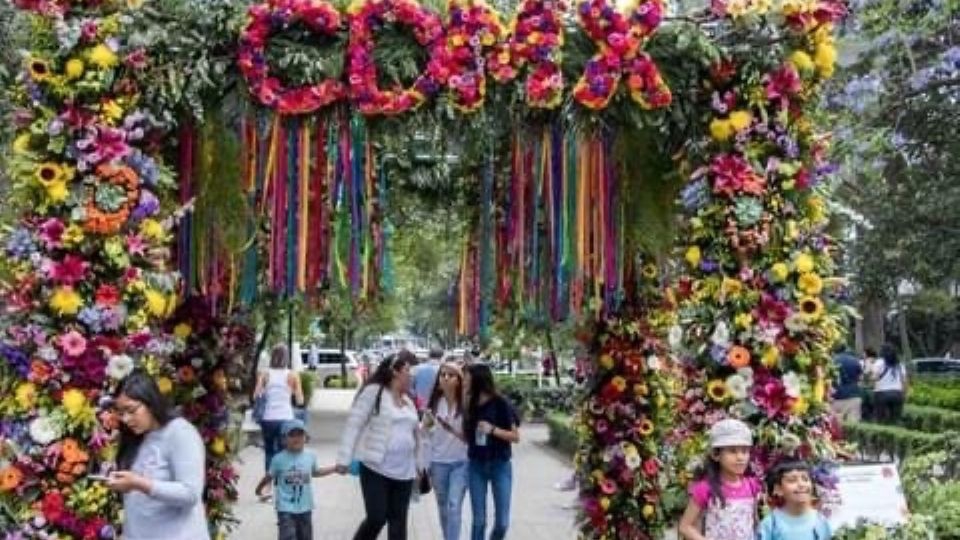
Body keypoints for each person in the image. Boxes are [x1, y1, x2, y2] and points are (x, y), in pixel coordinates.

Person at [106, 370, 209, 540]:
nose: (126, 419)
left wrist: (139, 483)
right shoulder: (136, 438)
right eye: (121, 412)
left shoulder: (179, 432)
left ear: (150, 402)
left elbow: (190, 494)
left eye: (131, 410)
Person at [335, 350, 423, 540]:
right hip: (376, 467)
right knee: (377, 517)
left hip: (404, 471)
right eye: (408, 370)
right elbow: (354, 425)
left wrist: (421, 465)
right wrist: (343, 458)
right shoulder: (374, 392)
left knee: (398, 523)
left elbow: (415, 436)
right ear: (395, 372)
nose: (411, 375)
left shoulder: (408, 401)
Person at [678, 418, 762, 540]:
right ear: (716, 455)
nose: (740, 457)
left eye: (744, 451)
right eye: (732, 451)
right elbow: (685, 527)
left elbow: (754, 521)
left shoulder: (752, 485)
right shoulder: (705, 488)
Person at [464, 363, 521, 540]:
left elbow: (515, 436)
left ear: (477, 380)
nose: (464, 380)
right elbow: (467, 436)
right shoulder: (469, 403)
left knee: (502, 523)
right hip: (476, 465)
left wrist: (492, 429)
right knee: (479, 521)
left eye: (467, 377)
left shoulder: (500, 403)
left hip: (500, 465)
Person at [255, 419, 335, 540]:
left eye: (300, 434)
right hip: (285, 507)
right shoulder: (278, 459)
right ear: (283, 439)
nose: (296, 438)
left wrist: (334, 468)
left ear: (306, 437)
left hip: (305, 506)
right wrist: (259, 488)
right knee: (288, 536)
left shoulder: (311, 456)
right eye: (292, 435)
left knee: (305, 536)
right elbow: (269, 476)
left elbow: (316, 472)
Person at [423, 361, 469, 540]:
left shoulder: (466, 404)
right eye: (442, 375)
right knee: (443, 506)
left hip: (462, 462)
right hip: (438, 463)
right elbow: (424, 435)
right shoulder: (434, 405)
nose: (446, 378)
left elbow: (471, 436)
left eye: (451, 375)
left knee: (453, 505)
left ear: (459, 380)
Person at [254, 345, 306, 478]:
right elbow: (300, 400)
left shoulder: (265, 374)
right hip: (286, 419)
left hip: (268, 418)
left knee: (269, 452)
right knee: (285, 452)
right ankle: (283, 483)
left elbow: (256, 395)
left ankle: (267, 487)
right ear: (287, 358)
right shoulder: (292, 375)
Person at [758, 460, 832, 540]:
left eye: (805, 479)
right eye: (792, 480)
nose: (801, 484)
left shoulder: (820, 521)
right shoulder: (771, 524)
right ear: (778, 489)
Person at [871, 344, 908, 423]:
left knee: (880, 419)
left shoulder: (879, 363)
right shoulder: (899, 365)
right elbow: (904, 381)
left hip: (882, 394)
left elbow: (875, 378)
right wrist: (904, 394)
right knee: (896, 419)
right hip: (897, 393)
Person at [830, 346, 863, 422]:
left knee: (836, 426)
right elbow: (860, 378)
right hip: (853, 395)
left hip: (836, 397)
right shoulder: (855, 360)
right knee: (853, 426)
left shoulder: (832, 360)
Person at [412, 347, 444, 412]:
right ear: (442, 356)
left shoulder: (416, 369)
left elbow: (411, 388)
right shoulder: (444, 371)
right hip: (437, 408)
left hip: (419, 406)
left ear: (429, 355)